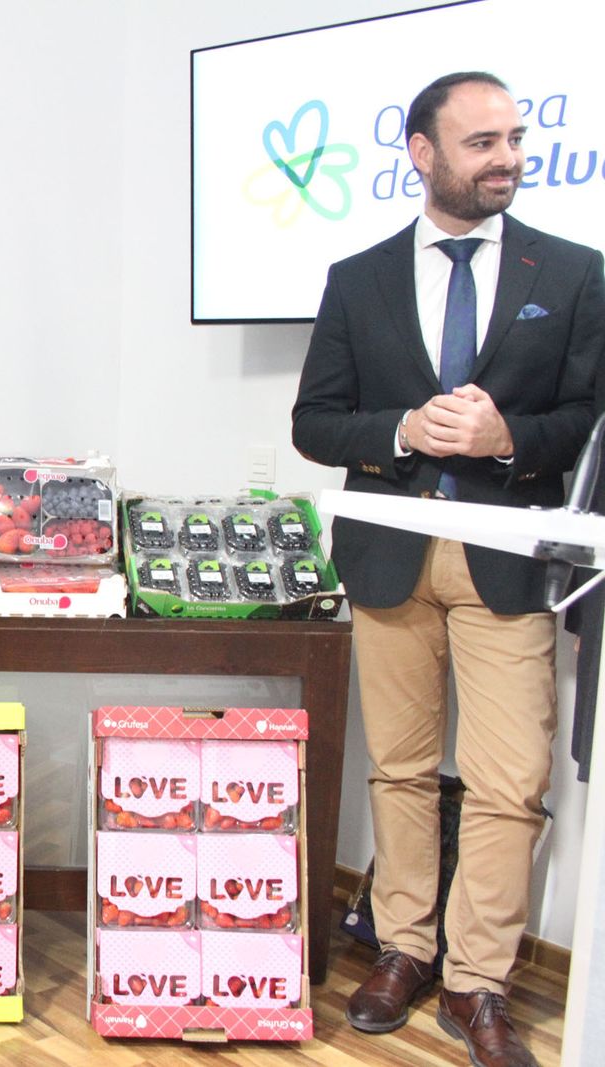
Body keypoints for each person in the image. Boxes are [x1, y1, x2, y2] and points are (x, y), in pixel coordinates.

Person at [292, 71, 604, 1067]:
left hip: (509, 559)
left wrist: (511, 434)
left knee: (510, 781)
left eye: (512, 138)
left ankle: (478, 980)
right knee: (399, 770)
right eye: (480, 143)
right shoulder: (358, 275)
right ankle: (401, 947)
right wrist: (398, 428)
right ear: (422, 153)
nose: (505, 156)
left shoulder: (574, 273)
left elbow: (591, 417)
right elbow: (315, 420)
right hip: (389, 557)